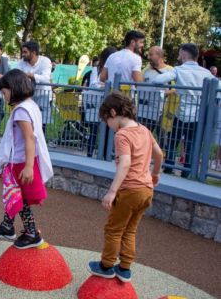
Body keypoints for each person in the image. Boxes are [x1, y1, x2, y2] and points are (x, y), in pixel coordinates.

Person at [88, 92, 163, 283]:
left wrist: (112, 191)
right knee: (130, 230)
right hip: (147, 190)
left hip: (129, 190)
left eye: (107, 121)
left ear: (113, 113)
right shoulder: (144, 130)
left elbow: (125, 164)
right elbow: (159, 154)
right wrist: (155, 174)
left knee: (114, 229)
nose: (108, 126)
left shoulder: (122, 135)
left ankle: (106, 266)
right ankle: (124, 267)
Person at [0, 69, 53, 249]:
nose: (3, 95)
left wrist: (29, 166)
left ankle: (31, 232)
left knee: (18, 196)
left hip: (21, 161)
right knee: (13, 193)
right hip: (20, 160)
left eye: (4, 91)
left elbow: (30, 137)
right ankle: (7, 225)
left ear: (13, 89)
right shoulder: (30, 105)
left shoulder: (21, 111)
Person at [152, 43, 216, 178]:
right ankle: (187, 171)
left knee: (173, 141)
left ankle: (169, 167)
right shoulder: (206, 73)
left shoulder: (179, 70)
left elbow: (157, 80)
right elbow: (218, 88)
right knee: (191, 143)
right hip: (197, 115)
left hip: (180, 114)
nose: (179, 56)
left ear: (184, 55)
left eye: (180, 53)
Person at [82, 47, 117, 158]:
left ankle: (105, 154)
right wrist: (106, 86)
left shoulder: (113, 69)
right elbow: (93, 84)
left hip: (107, 102)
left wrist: (105, 86)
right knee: (94, 128)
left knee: (108, 128)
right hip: (95, 102)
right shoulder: (95, 70)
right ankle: (90, 152)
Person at [16, 41, 53, 132]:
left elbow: (46, 79)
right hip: (28, 98)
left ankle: (39, 145)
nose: (23, 54)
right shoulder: (21, 63)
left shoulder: (45, 61)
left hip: (43, 96)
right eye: (22, 52)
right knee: (28, 123)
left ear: (33, 53)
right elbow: (17, 76)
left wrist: (29, 75)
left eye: (25, 52)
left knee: (41, 125)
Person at [137, 46, 173, 135]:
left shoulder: (170, 70)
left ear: (159, 56)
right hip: (145, 113)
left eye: (151, 55)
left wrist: (165, 93)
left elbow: (176, 89)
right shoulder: (146, 70)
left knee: (162, 140)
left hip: (163, 113)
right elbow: (138, 84)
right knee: (142, 138)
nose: (148, 57)